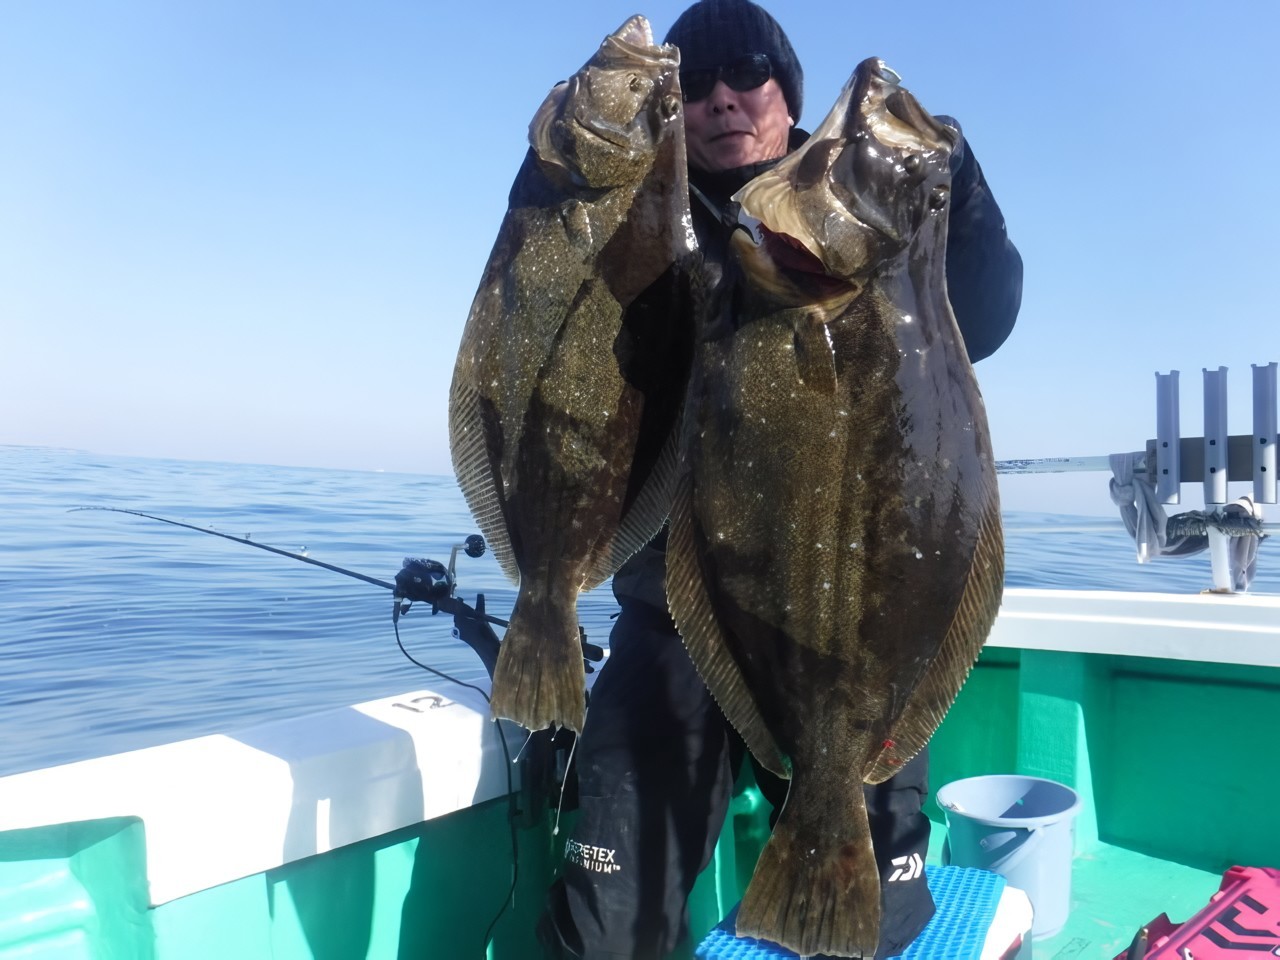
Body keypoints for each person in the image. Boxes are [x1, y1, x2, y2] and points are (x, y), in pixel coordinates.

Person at [538, 1, 1024, 957]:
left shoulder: (859, 208)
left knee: (880, 921)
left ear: (788, 94)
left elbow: (989, 309)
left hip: (857, 635)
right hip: (675, 611)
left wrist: (954, 185)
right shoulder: (642, 211)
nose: (722, 99)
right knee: (606, 922)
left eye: (747, 73)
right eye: (696, 82)